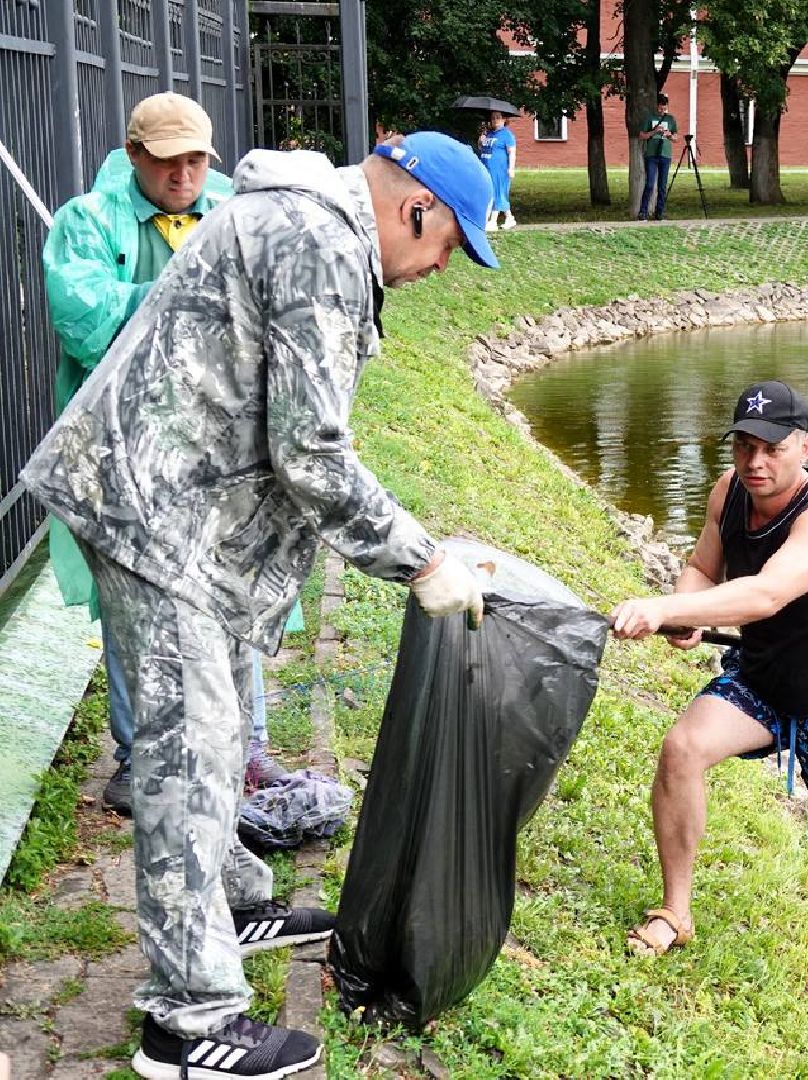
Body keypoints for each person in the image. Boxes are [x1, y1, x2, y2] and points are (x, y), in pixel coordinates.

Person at [21, 129, 496, 1080]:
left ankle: (231, 902)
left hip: (187, 515)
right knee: (187, 764)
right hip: (154, 516)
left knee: (225, 725)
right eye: (450, 245)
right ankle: (187, 1019)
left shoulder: (310, 225)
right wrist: (419, 559)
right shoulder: (319, 242)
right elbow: (310, 451)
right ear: (417, 209)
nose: (444, 267)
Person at [610, 380, 808, 1031]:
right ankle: (674, 913)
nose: (754, 462)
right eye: (743, 444)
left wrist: (665, 608)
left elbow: (767, 593)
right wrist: (684, 606)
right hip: (763, 681)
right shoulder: (728, 490)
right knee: (682, 749)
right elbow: (704, 566)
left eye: (770, 448)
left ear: (806, 446)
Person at [41, 91, 299, 817]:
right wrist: (191, 287)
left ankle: (246, 751)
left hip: (222, 446)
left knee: (234, 589)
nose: (184, 175)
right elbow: (86, 325)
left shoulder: (232, 206)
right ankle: (139, 756)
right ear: (134, 158)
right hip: (128, 450)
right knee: (136, 605)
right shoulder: (84, 224)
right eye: (167, 162)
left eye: (196, 159)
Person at [637, 93, 678, 221]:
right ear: (657, 106)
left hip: (665, 154)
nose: (662, 110)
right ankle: (643, 211)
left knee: (662, 185)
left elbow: (676, 138)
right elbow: (642, 135)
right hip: (652, 154)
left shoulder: (670, 119)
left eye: (664, 108)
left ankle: (659, 212)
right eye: (661, 108)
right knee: (649, 184)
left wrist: (669, 135)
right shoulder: (650, 118)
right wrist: (654, 131)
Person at [478, 109, 518, 230]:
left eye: (498, 117)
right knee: (495, 193)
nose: (495, 120)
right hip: (486, 168)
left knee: (496, 193)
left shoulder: (507, 135)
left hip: (500, 170)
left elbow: (512, 152)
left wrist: (511, 168)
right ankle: (510, 218)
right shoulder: (489, 134)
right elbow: (482, 149)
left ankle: (493, 221)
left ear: (504, 119)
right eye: (493, 118)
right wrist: (480, 141)